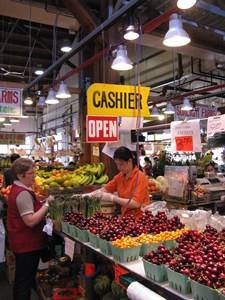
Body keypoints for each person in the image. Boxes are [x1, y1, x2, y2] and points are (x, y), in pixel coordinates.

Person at [6, 158, 54, 300]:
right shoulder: (22, 193)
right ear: (20, 176)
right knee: (23, 282)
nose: (34, 176)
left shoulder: (19, 189)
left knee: (25, 279)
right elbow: (30, 221)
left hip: (23, 242)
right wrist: (47, 205)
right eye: (31, 173)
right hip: (26, 244)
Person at [90, 146, 150, 218]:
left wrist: (112, 198)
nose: (118, 167)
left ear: (130, 161)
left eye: (121, 164)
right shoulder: (120, 177)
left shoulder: (140, 177)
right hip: (126, 218)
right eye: (117, 164)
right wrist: (88, 195)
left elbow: (135, 203)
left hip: (140, 218)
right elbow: (104, 189)